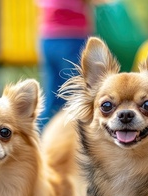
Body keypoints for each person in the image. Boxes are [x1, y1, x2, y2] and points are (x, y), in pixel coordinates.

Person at [36, 0, 95, 131]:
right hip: (71, 35)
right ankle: (73, 141)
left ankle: (42, 139)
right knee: (78, 96)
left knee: (52, 98)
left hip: (47, 36)